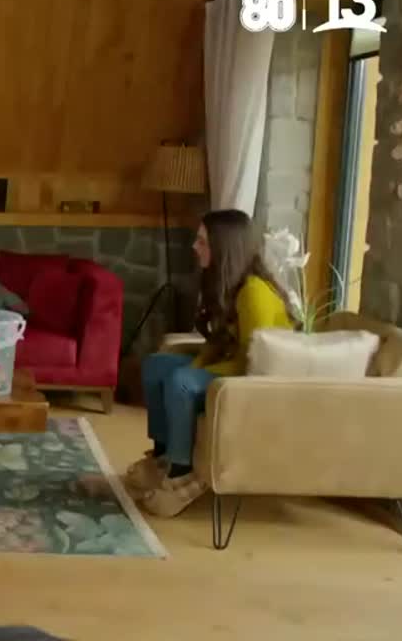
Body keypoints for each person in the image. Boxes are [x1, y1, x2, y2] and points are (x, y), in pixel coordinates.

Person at [124, 208, 297, 517]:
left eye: (202, 241)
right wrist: (198, 364)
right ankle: (162, 455)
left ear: (223, 247)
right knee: (156, 365)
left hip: (257, 380)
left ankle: (180, 470)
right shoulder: (227, 283)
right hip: (234, 364)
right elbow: (219, 343)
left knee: (182, 382)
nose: (195, 246)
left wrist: (198, 371)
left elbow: (251, 361)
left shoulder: (254, 293)